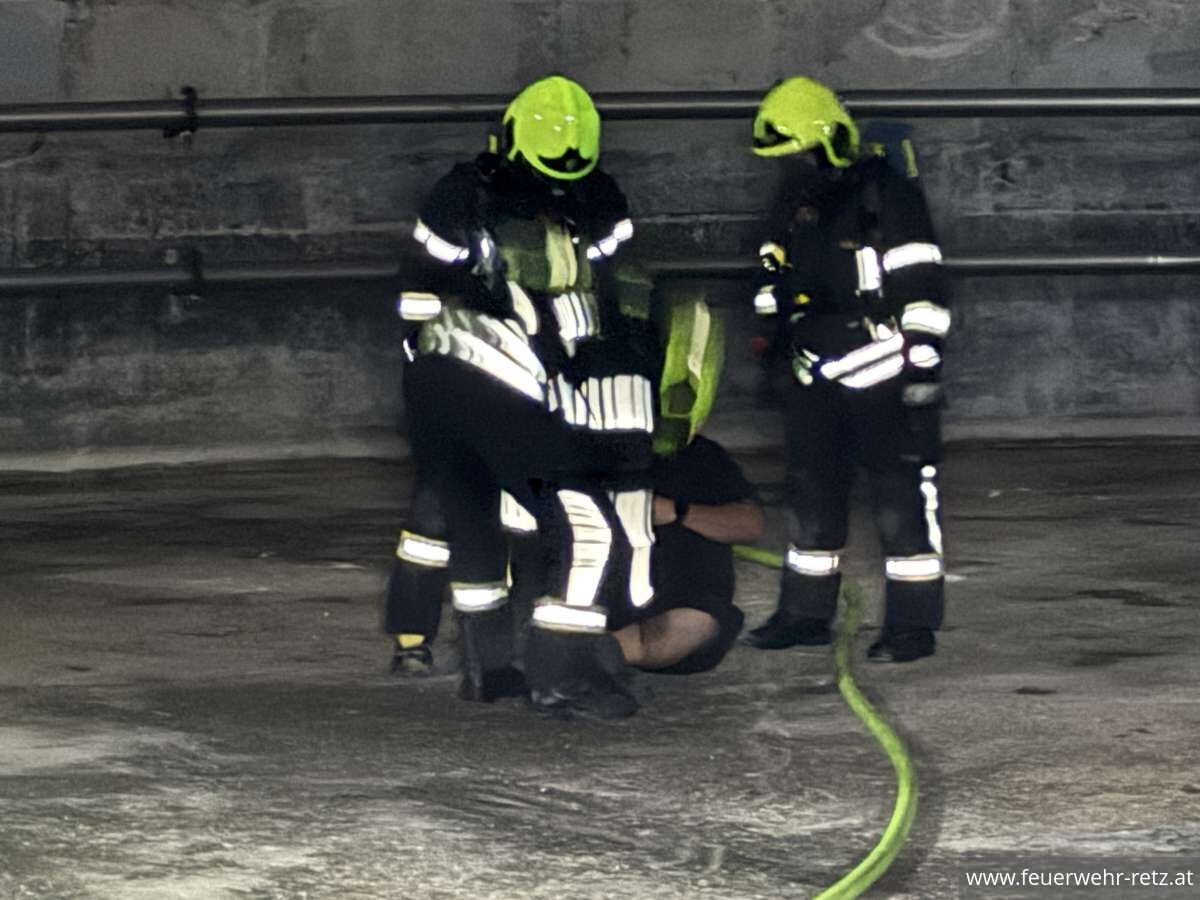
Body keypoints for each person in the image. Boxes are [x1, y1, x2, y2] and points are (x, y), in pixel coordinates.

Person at [385, 74, 658, 718]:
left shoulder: (596, 198)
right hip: (496, 382)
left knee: (470, 524)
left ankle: (490, 671)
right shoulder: (465, 199)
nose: (557, 192)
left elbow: (615, 289)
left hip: (471, 384)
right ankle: (559, 676)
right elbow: (420, 292)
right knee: (584, 526)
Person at [741, 76, 951, 663]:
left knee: (901, 501)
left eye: (800, 153)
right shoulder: (796, 205)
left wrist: (923, 363)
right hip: (814, 375)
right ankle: (804, 615)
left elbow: (922, 278)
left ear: (828, 142)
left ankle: (912, 627)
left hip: (887, 374)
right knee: (810, 499)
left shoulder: (885, 196)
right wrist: (777, 346)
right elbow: (774, 279)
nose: (793, 165)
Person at [608, 298, 763, 674]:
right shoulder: (591, 448)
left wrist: (675, 512)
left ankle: (599, 657)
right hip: (607, 598)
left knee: (690, 628)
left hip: (685, 602)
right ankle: (592, 655)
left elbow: (750, 524)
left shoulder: (700, 456)